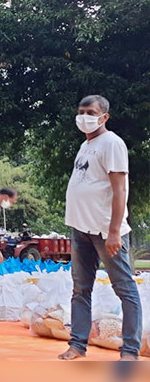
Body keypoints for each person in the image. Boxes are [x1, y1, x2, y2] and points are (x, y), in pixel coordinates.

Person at [58, 95, 142, 362]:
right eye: (81, 111)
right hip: (81, 228)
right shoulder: (87, 145)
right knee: (80, 289)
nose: (84, 116)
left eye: (90, 112)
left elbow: (120, 190)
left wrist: (114, 231)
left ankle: (130, 351)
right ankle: (78, 345)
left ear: (104, 116)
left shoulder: (112, 143)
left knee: (124, 289)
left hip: (106, 231)